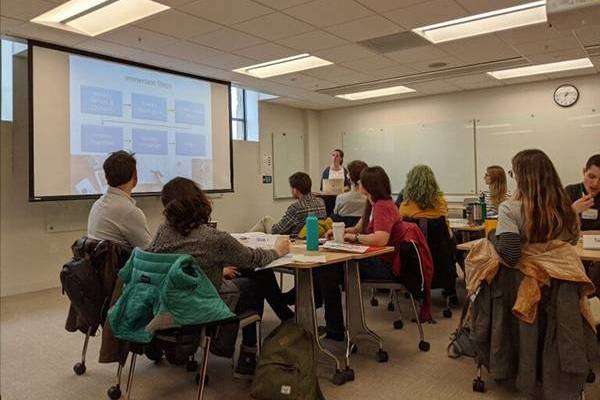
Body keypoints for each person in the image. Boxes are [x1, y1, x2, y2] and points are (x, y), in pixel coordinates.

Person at [146, 177, 293, 379]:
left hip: (171, 303)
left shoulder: (162, 233)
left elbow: (176, 264)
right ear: (199, 201)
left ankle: (284, 320)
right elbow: (254, 259)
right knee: (257, 280)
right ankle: (249, 353)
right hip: (207, 305)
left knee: (246, 276)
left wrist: (217, 269)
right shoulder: (214, 238)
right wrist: (278, 250)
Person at [492, 149, 579, 267]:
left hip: (529, 279)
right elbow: (573, 241)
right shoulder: (566, 208)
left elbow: (510, 256)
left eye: (513, 174)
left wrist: (491, 235)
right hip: (563, 276)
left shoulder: (509, 209)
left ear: (521, 178)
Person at [87, 150, 151, 249]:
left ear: (106, 177)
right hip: (120, 264)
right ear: (135, 178)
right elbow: (148, 253)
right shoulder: (129, 212)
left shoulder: (98, 204)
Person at [251, 172, 326, 235]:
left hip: (293, 240)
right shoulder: (321, 202)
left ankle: (242, 241)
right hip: (312, 237)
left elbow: (276, 231)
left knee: (266, 220)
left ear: (296, 190)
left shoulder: (296, 207)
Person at [566, 154, 600, 231]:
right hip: (575, 240)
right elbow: (555, 225)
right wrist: (573, 211)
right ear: (584, 172)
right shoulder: (570, 191)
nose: (595, 183)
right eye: (591, 177)